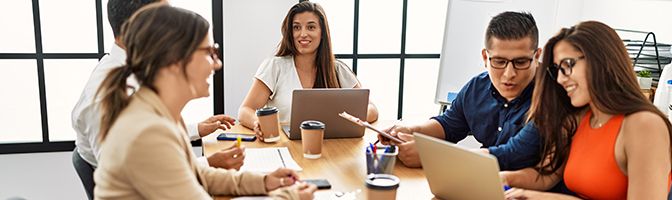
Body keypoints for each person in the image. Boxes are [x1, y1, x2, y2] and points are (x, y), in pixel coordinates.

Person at [93, 4, 316, 199]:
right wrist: (289, 197)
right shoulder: (149, 132)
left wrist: (264, 182)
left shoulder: (162, 114)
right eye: (209, 52)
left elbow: (199, 175)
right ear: (175, 60)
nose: (216, 64)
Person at [71, 1, 245, 197]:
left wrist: (196, 129)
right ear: (143, 25)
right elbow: (138, 175)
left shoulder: (136, 69)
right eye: (165, 16)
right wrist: (208, 163)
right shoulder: (111, 96)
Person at [503, 21, 672, 199]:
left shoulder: (644, 125)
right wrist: (504, 178)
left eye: (568, 65)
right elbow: (545, 175)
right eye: (558, 69)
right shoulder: (578, 119)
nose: (560, 79)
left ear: (601, 60)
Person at [380, 11, 542, 170]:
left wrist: (433, 156)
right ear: (485, 58)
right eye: (499, 61)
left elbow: (512, 155)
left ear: (537, 56)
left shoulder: (549, 99)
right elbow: (448, 125)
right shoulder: (477, 88)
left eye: (521, 62)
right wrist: (410, 131)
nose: (509, 74)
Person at [238, 1, 378, 139]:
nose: (303, 34)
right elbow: (245, 111)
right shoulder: (275, 66)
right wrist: (258, 123)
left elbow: (372, 109)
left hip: (332, 148)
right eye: (296, 27)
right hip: (286, 147)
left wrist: (347, 119)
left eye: (311, 27)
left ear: (322, 32)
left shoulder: (338, 69)